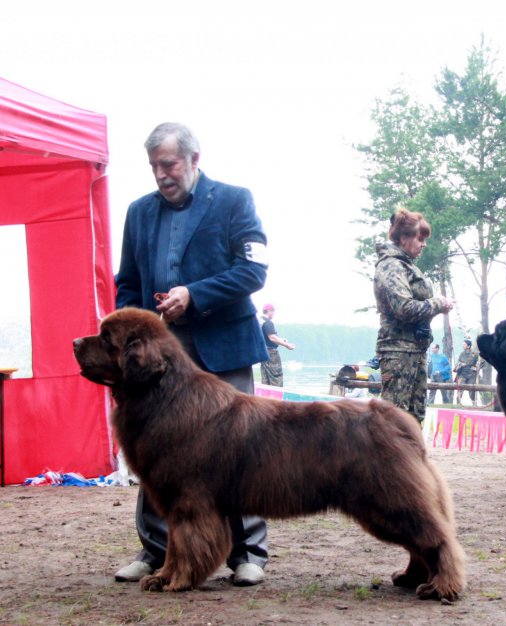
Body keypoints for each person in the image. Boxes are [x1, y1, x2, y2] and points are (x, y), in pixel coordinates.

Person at [114, 122, 269, 586]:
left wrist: (194, 294)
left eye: (169, 164)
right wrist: (133, 330)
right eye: (154, 166)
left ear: (194, 159)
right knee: (155, 452)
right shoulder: (138, 212)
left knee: (240, 453)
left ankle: (247, 553)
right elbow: (127, 283)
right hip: (159, 363)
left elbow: (253, 271)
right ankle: (157, 551)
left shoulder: (234, 200)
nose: (161, 174)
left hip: (225, 348)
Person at [373, 207, 454, 424]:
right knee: (394, 421)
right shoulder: (391, 266)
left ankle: (413, 449)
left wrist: (436, 306)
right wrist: (437, 303)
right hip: (398, 351)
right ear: (403, 238)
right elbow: (404, 308)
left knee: (414, 417)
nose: (423, 244)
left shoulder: (406, 265)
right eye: (420, 238)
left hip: (415, 349)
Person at [260, 303, 295, 387]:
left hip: (263, 353)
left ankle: (266, 394)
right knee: (276, 377)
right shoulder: (268, 323)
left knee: (266, 379)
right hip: (271, 353)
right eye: (273, 311)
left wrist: (281, 340)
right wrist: (287, 345)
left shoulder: (260, 322)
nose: (274, 313)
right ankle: (277, 394)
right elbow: (272, 338)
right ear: (268, 311)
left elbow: (268, 337)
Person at [454, 339, 479, 404]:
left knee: (472, 390)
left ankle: (474, 404)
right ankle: (458, 404)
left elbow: (480, 362)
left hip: (471, 374)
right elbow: (458, 362)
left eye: (464, 344)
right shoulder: (462, 354)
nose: (463, 346)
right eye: (463, 344)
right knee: (459, 389)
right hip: (462, 374)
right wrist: (458, 365)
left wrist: (476, 367)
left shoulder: (474, 354)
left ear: (468, 346)